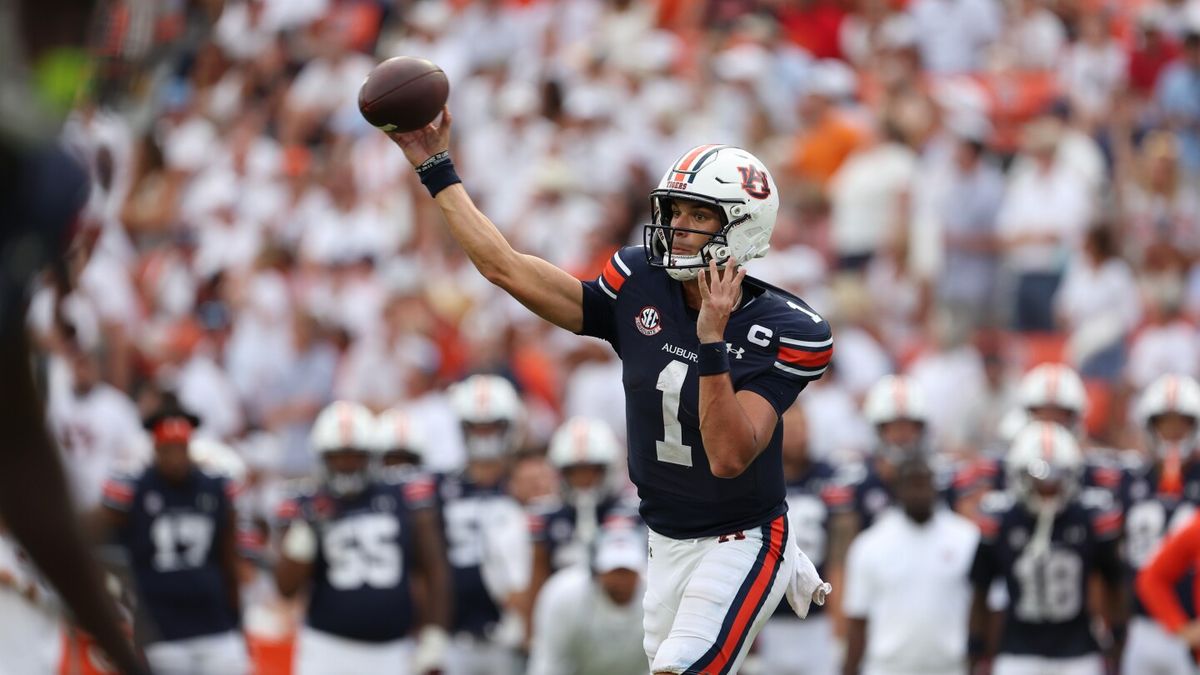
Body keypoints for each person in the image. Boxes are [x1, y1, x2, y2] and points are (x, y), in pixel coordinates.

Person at [387, 111, 832, 675]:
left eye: (699, 215)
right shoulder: (640, 280)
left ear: (741, 230)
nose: (678, 226)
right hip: (664, 540)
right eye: (676, 211)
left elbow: (727, 456)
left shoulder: (784, 328)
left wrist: (712, 340)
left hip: (742, 539)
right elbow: (505, 269)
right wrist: (434, 167)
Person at [273, 400, 451, 675]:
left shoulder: (402, 495)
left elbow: (433, 568)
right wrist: (306, 531)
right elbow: (286, 587)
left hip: (393, 649)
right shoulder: (307, 504)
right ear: (322, 457)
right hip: (327, 649)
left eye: (355, 455)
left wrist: (434, 634)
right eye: (337, 456)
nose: (346, 464)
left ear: (371, 455)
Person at [94, 397, 247, 674]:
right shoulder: (134, 489)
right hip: (160, 630)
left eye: (181, 448)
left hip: (215, 623)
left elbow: (229, 558)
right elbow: (99, 540)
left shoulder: (216, 488)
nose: (175, 457)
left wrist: (238, 616)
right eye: (168, 449)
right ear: (155, 448)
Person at [969, 421, 1125, 675]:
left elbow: (1114, 582)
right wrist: (976, 648)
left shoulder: (1088, 517)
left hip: (1078, 649)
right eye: (1037, 477)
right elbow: (980, 591)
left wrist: (1117, 637)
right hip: (1017, 649)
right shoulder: (1003, 520)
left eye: (1057, 476)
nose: (1048, 486)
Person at [841, 456, 980, 675]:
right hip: (887, 668)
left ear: (936, 486)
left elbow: (982, 607)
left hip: (950, 667)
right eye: (912, 484)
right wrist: (848, 669)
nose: (919, 492)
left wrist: (978, 661)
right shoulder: (871, 544)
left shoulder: (966, 539)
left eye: (924, 483)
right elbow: (858, 618)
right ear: (898, 490)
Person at [437, 374, 531, 675]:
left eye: (493, 426)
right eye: (476, 426)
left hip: (513, 634)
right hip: (454, 634)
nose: (484, 435)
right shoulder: (441, 487)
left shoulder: (526, 485)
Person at [1120, 374, 1200, 675]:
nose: (1173, 431)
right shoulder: (1130, 479)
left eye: (1182, 422)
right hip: (1143, 622)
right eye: (1165, 422)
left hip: (1192, 618)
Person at [757, 404, 845, 675]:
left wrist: (838, 627)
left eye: (801, 427)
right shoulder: (757, 478)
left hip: (818, 619)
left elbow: (839, 555)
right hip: (767, 618)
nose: (796, 436)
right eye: (789, 428)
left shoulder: (829, 478)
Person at [529, 416, 640, 600]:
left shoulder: (632, 513)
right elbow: (537, 582)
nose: (584, 480)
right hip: (562, 612)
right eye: (574, 472)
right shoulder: (546, 517)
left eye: (592, 470)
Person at [527, 524, 649, 675]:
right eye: (613, 571)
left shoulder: (657, 599)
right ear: (595, 570)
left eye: (627, 571)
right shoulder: (564, 595)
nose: (621, 580)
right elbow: (549, 663)